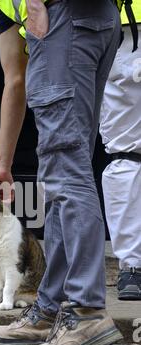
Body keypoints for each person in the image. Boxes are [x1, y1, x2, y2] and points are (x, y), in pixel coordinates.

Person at [0, 0, 124, 345]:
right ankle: (52, 308)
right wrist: (3, 161)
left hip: (65, 19)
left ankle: (86, 311)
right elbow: (14, 77)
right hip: (90, 22)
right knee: (63, 167)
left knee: (65, 165)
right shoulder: (2, 6)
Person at [100, 0, 141, 301]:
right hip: (123, 30)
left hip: (122, 30)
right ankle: (133, 266)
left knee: (125, 153)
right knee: (125, 154)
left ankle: (133, 267)